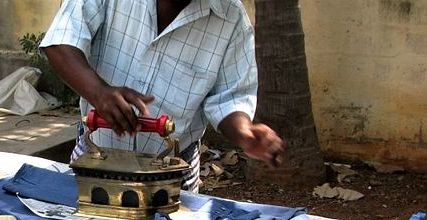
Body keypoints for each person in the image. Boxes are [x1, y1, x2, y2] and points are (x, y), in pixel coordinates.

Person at [40, 0, 284, 192]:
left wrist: (244, 133)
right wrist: (99, 92)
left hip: (173, 176)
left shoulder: (230, 17)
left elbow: (230, 97)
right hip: (94, 160)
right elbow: (61, 41)